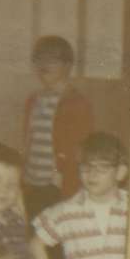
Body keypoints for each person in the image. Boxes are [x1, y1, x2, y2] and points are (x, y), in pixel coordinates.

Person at [22, 35, 93, 220]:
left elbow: (80, 146)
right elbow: (28, 139)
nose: (44, 65)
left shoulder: (76, 102)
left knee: (56, 230)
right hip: (32, 179)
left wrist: (63, 174)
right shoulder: (33, 99)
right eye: (39, 60)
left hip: (57, 183)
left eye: (52, 60)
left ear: (68, 66)